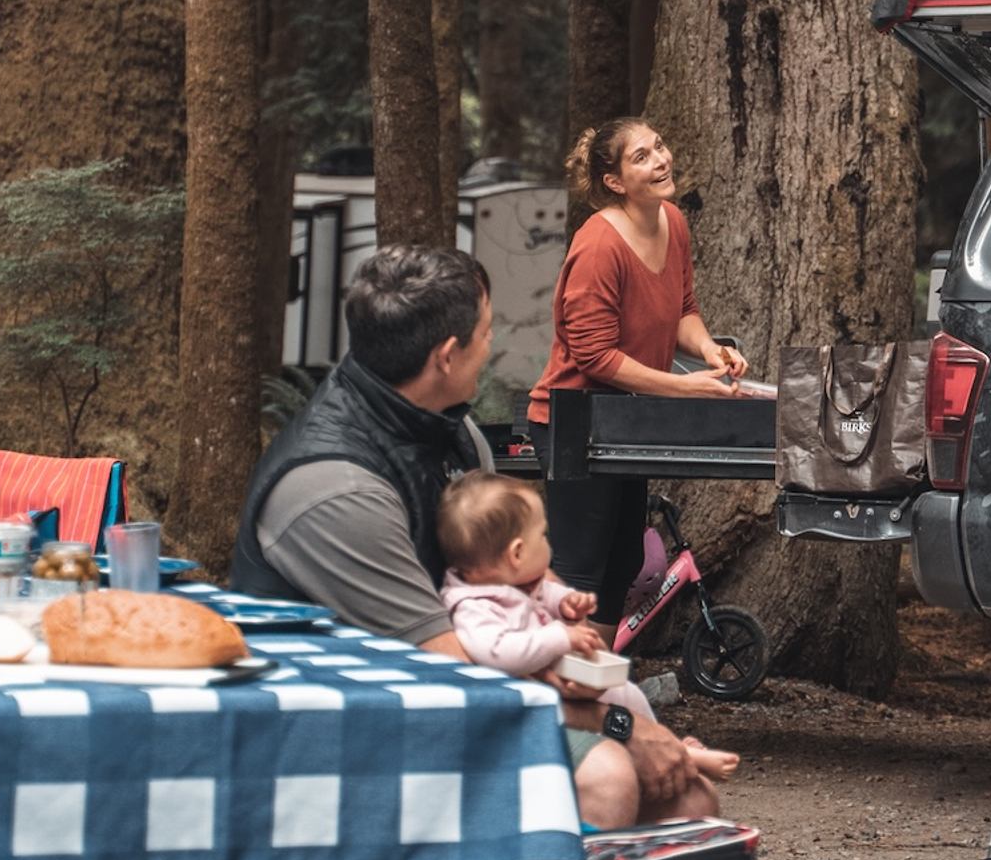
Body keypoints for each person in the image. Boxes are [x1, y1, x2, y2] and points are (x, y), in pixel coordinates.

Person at [232, 243, 707, 817]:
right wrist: (620, 723)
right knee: (608, 774)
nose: (494, 345)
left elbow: (524, 573)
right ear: (448, 356)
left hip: (441, 690)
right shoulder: (335, 488)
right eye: (486, 332)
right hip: (334, 731)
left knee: (687, 790)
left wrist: (577, 651)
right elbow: (452, 671)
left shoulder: (452, 431)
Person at [528, 118, 748, 626]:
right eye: (642, 157)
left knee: (623, 563)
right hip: (572, 421)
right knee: (580, 568)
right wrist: (682, 388)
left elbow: (683, 310)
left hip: (627, 421)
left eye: (660, 147)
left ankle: (597, 690)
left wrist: (710, 351)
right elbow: (594, 356)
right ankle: (564, 693)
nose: (661, 160)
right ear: (615, 182)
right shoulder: (599, 245)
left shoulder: (673, 222)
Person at [435, 467, 737, 827]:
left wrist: (568, 602)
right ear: (516, 554)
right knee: (613, 745)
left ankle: (669, 746)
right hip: (516, 702)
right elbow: (498, 651)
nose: (549, 547)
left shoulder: (517, 582)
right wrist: (561, 638)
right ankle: (678, 755)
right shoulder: (472, 605)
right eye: (543, 538)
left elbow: (548, 592)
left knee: (624, 691)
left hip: (555, 683)